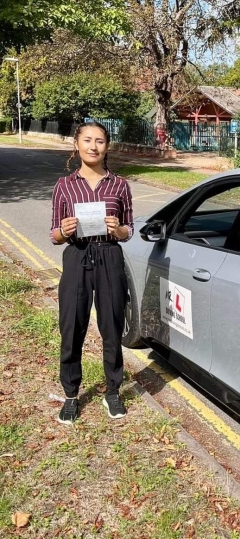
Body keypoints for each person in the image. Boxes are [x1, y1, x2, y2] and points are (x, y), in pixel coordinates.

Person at [50, 121, 134, 424]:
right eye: (87, 140)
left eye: (100, 141)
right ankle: (71, 395)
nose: (93, 146)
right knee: (71, 326)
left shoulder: (120, 185)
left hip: (110, 256)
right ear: (77, 144)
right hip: (77, 255)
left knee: (112, 325)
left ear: (107, 147)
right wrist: (63, 229)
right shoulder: (64, 185)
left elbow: (129, 230)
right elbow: (54, 235)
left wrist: (119, 229)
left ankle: (113, 391)